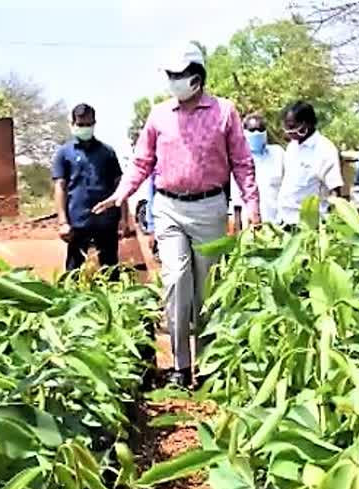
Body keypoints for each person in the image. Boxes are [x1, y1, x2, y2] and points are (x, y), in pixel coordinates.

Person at [93, 42, 260, 387]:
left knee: (206, 290)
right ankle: (181, 368)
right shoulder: (159, 115)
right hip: (168, 206)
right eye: (169, 76)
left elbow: (242, 163)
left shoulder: (224, 112)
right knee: (175, 281)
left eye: (177, 76)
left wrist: (253, 204)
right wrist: (121, 194)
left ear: (196, 79)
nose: (171, 81)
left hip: (210, 206)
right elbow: (142, 161)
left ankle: (209, 366)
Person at [52, 103, 127, 272]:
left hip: (106, 222)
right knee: (74, 272)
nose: (85, 128)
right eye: (80, 124)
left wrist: (123, 219)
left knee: (110, 271)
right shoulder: (64, 153)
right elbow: (60, 187)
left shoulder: (107, 152)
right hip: (77, 223)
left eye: (89, 124)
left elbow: (120, 187)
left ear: (94, 124)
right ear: (72, 124)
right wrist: (63, 222)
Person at [277, 101, 343, 226]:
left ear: (306, 124)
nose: (288, 131)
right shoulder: (292, 147)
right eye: (286, 127)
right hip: (285, 219)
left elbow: (335, 190)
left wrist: (335, 223)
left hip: (310, 224)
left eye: (292, 127)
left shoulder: (325, 149)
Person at [229, 113, 285, 226]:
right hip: (246, 225)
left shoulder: (278, 154)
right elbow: (235, 199)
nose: (257, 134)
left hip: (275, 223)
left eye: (260, 130)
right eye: (252, 130)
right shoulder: (235, 158)